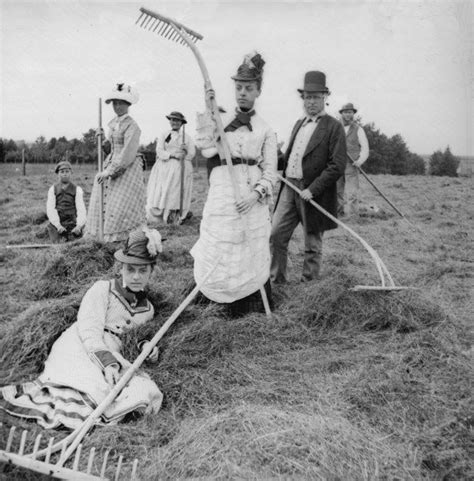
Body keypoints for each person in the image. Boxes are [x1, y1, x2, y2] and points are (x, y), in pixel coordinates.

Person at [0, 228, 163, 430]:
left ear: (152, 271)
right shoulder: (103, 289)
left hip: (114, 352)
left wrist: (146, 346)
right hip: (80, 345)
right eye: (130, 269)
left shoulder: (148, 310)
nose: (136, 276)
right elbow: (89, 329)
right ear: (121, 268)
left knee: (144, 389)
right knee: (91, 385)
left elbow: (135, 336)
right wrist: (108, 363)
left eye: (143, 270)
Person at [192, 52, 277, 316]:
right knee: (220, 241)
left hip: (250, 197)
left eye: (249, 88)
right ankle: (214, 297)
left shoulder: (266, 129)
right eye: (238, 87)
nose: (242, 93)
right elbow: (205, 149)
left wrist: (254, 196)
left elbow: (271, 173)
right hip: (222, 192)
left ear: (258, 91)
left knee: (247, 246)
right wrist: (208, 114)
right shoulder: (222, 122)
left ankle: (248, 302)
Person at [270, 71, 346, 283]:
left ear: (325, 97)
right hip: (290, 188)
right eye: (307, 97)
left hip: (314, 193)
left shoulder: (334, 127)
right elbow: (287, 159)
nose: (310, 102)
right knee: (276, 234)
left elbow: (337, 165)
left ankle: (309, 285)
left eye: (315, 97)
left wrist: (313, 189)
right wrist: (272, 156)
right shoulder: (298, 124)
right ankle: (277, 280)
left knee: (312, 243)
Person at [86, 83, 146, 242]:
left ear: (128, 104)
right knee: (106, 199)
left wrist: (110, 171)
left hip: (127, 166)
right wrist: (101, 139)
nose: (117, 106)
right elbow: (110, 149)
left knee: (120, 202)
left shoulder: (133, 126)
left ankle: (121, 237)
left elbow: (127, 152)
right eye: (115, 103)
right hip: (112, 162)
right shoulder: (113, 124)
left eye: (121, 103)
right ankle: (103, 235)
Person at [146, 111, 196, 225]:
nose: (174, 122)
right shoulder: (164, 135)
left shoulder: (187, 138)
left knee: (176, 192)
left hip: (181, 168)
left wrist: (185, 151)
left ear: (181, 123)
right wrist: (172, 155)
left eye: (177, 120)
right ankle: (159, 215)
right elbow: (159, 150)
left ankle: (174, 215)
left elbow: (192, 154)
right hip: (165, 166)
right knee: (163, 190)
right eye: (172, 120)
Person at [337, 102, 370, 217]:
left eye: (350, 112)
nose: (347, 115)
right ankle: (338, 214)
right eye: (345, 112)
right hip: (336, 164)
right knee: (337, 191)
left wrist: (360, 161)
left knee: (352, 192)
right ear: (342, 113)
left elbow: (365, 148)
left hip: (352, 164)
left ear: (353, 114)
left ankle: (352, 216)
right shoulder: (336, 127)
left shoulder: (358, 129)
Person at [46, 160, 87, 243]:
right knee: (57, 240)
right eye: (62, 172)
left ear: (71, 173)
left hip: (73, 219)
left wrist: (79, 226)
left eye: (67, 171)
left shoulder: (77, 189)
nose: (65, 174)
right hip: (59, 219)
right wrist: (58, 225)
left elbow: (81, 208)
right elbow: (50, 208)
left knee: (78, 240)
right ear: (58, 174)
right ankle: (60, 233)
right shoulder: (53, 189)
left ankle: (75, 233)